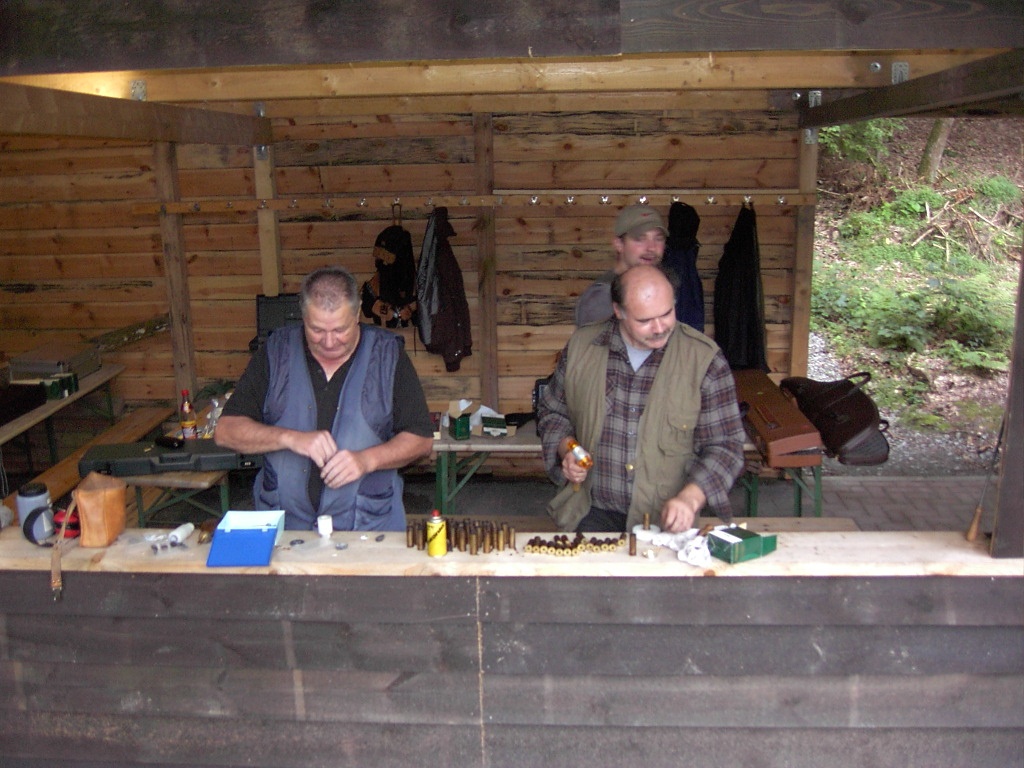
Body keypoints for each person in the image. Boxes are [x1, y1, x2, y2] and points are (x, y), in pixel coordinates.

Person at [214, 266, 434, 531]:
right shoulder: (276, 352)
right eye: (316, 330)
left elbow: (421, 440)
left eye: (340, 330)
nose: (329, 342)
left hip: (368, 528)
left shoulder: (388, 356)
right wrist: (288, 438)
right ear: (303, 316)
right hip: (285, 529)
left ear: (357, 313)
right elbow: (226, 431)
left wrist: (367, 460)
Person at [539, 264, 745, 534]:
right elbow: (553, 413)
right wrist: (568, 450)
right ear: (619, 311)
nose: (659, 328)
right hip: (590, 511)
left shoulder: (704, 360)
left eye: (667, 313)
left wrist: (690, 498)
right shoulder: (582, 347)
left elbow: (726, 445)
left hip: (665, 522)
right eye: (645, 320)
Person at [574, 203, 668, 327]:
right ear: (619, 244)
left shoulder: (664, 288)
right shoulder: (602, 297)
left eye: (658, 239)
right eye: (640, 239)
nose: (651, 248)